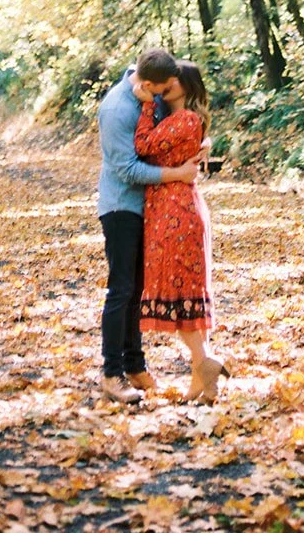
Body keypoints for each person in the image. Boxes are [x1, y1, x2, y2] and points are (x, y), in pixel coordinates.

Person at [97, 48, 199, 404]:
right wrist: (177, 174)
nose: (164, 94)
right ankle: (111, 374)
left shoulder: (149, 85)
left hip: (151, 208)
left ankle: (135, 365)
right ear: (150, 84)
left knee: (138, 290)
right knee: (121, 289)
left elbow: (170, 132)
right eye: (163, 89)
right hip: (121, 206)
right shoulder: (116, 109)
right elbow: (127, 169)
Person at [134, 59, 229, 403]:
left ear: (186, 85)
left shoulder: (185, 119)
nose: (167, 83)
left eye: (174, 80)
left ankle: (205, 361)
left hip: (175, 211)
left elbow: (143, 145)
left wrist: (146, 105)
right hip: (174, 206)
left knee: (177, 294)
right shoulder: (180, 119)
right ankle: (202, 380)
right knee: (185, 294)